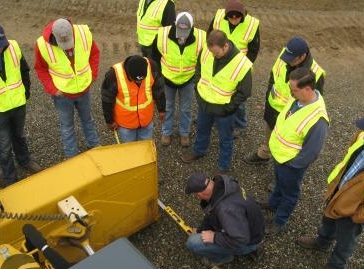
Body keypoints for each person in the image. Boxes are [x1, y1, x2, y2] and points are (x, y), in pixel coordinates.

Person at [297, 109, 364, 269]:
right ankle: (322, 242)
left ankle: (335, 265)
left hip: (352, 214)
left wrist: (357, 216)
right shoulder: (360, 138)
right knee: (327, 221)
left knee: (346, 241)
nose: (362, 130)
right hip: (336, 196)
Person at [258, 67, 329, 235]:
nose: (290, 92)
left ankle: (279, 221)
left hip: (290, 163)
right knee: (279, 184)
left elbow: (312, 152)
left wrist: (293, 164)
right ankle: (274, 203)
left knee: (290, 193)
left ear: (307, 89)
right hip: (279, 155)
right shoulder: (297, 98)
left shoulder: (318, 119)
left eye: (294, 89)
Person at [244, 36, 325, 164]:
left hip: (291, 115)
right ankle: (265, 153)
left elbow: (312, 101)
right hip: (273, 107)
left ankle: (282, 166)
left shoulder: (316, 73)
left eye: (291, 59)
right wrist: (267, 99)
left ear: (302, 56)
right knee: (270, 132)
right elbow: (273, 77)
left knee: (285, 143)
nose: (287, 61)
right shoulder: (285, 56)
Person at [181, 30, 252, 173]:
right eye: (212, 52)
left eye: (217, 53)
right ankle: (199, 151)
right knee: (202, 129)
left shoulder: (242, 64)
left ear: (225, 46)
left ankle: (223, 166)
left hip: (224, 110)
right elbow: (198, 69)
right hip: (205, 104)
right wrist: (198, 90)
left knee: (226, 139)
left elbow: (245, 92)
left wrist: (229, 108)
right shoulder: (207, 51)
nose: (214, 55)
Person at [35, 18, 100, 159]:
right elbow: (40, 69)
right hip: (62, 95)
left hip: (84, 89)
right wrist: (53, 90)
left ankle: (95, 146)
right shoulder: (42, 45)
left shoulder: (83, 34)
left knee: (88, 120)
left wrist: (93, 75)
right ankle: (71, 156)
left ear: (72, 31)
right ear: (54, 36)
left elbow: (94, 54)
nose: (68, 46)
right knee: (67, 126)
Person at [0, 23, 41, 186]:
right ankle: (10, 178)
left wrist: (25, 92)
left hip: (18, 104)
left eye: (2, 41)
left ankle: (25, 160)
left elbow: (24, 70)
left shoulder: (13, 47)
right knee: (4, 146)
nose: (1, 47)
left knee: (19, 136)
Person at [185, 172, 264, 266]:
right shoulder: (224, 185)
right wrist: (200, 230)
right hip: (252, 228)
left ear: (199, 194)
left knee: (193, 242)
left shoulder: (226, 209)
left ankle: (223, 258)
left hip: (247, 242)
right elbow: (211, 214)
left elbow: (241, 239)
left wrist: (214, 237)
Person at [151, 12, 206, 147]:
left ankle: (184, 134)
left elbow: (204, 60)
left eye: (185, 31)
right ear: (175, 25)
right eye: (180, 30)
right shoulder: (162, 35)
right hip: (167, 79)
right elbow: (154, 56)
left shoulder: (201, 38)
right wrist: (157, 76)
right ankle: (166, 132)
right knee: (168, 106)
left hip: (188, 79)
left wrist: (198, 77)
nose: (182, 34)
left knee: (185, 109)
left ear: (192, 28)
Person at [208, 0, 260, 135]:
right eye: (231, 16)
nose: (234, 19)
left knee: (239, 100)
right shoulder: (219, 17)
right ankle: (215, 117)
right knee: (217, 92)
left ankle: (240, 125)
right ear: (226, 15)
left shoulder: (252, 25)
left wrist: (242, 68)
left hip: (239, 69)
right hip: (219, 63)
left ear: (242, 16)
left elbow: (253, 50)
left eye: (237, 16)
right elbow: (210, 36)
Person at [101, 55, 166, 142]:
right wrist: (109, 121)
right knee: (130, 150)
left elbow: (159, 89)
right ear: (128, 72)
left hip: (146, 121)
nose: (139, 82)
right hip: (126, 125)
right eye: (136, 80)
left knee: (144, 149)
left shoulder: (152, 67)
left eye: (142, 79)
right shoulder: (113, 75)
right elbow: (107, 99)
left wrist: (162, 109)